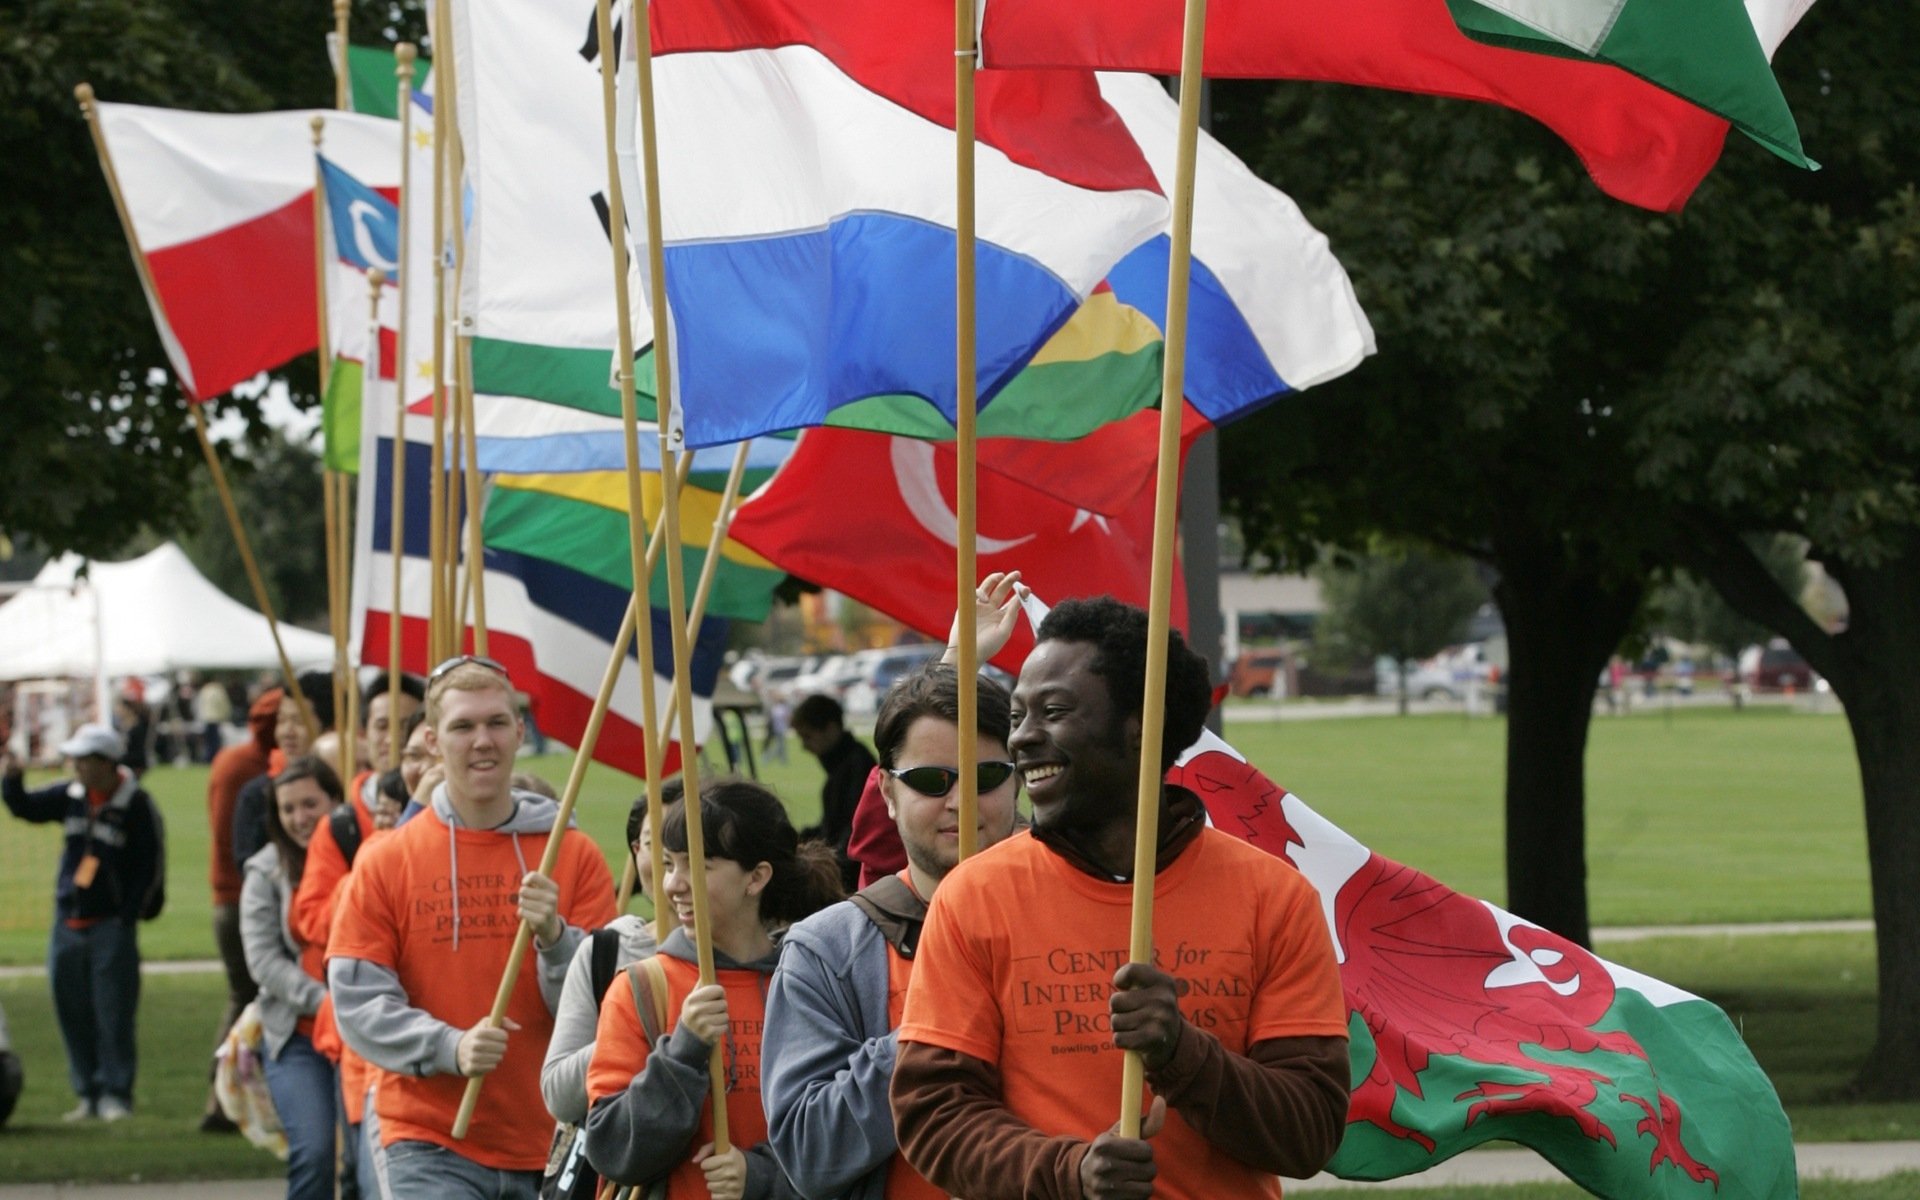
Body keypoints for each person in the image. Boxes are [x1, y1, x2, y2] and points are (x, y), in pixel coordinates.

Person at [891, 597, 1352, 1200]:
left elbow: (1309, 1135)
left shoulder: (1274, 897)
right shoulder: (974, 896)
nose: (1023, 738)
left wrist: (1182, 1053)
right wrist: (1069, 1174)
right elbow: (933, 1116)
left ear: (1141, 729)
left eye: (1052, 712)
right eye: (1018, 715)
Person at [328, 657, 617, 1199]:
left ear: (519, 732)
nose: (481, 740)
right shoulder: (387, 860)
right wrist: (449, 1047)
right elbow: (358, 1001)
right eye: (463, 726)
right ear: (434, 742)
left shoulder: (572, 854)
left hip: (553, 1141)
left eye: (496, 723)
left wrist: (556, 941)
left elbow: (609, 1010)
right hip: (429, 1138)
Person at [762, 661, 1022, 1200]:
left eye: (986, 777)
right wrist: (931, 1028)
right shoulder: (825, 950)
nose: (959, 801)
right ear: (885, 791)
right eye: (931, 780)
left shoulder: (1079, 918)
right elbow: (810, 1156)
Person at [585, 779, 844, 1200]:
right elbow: (613, 1149)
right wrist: (684, 1051)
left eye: (697, 866)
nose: (673, 885)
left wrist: (761, 1178)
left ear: (756, 877)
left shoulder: (812, 985)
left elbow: (842, 1140)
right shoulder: (642, 988)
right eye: (669, 864)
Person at [2, 724, 162, 1121]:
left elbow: (151, 866)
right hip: (67, 922)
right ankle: (87, 1093)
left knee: (113, 1013)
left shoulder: (137, 804)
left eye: (85, 760)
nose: (77, 767)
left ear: (107, 764)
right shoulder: (71, 795)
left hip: (111, 924)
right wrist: (12, 781)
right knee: (70, 1009)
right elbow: (26, 808)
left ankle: (116, 1093)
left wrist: (130, 914)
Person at [241, 756, 346, 1200]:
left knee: (364, 1163)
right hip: (297, 1036)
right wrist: (324, 1000)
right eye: (288, 809)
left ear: (335, 801)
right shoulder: (265, 871)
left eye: (310, 804)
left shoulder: (365, 855)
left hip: (361, 1035)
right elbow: (263, 960)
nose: (299, 818)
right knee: (316, 1150)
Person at [203, 685, 283, 1131]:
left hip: (224, 896)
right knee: (247, 998)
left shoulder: (229, 760)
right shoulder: (253, 771)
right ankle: (222, 1095)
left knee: (242, 995)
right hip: (240, 898)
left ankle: (226, 1095)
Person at [234, 673, 335, 870]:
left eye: (298, 722)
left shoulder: (353, 787)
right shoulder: (257, 796)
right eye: (282, 720)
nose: (287, 732)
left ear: (330, 727)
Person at [790, 694, 875, 877]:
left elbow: (852, 830)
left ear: (830, 729)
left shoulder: (855, 767)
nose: (804, 746)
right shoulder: (845, 765)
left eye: (807, 736)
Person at [195, 672, 234, 764]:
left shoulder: (204, 690)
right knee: (215, 741)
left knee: (208, 741)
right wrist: (226, 715)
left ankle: (208, 758)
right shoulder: (219, 689)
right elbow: (224, 704)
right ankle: (214, 758)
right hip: (216, 718)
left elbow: (199, 704)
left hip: (206, 718)